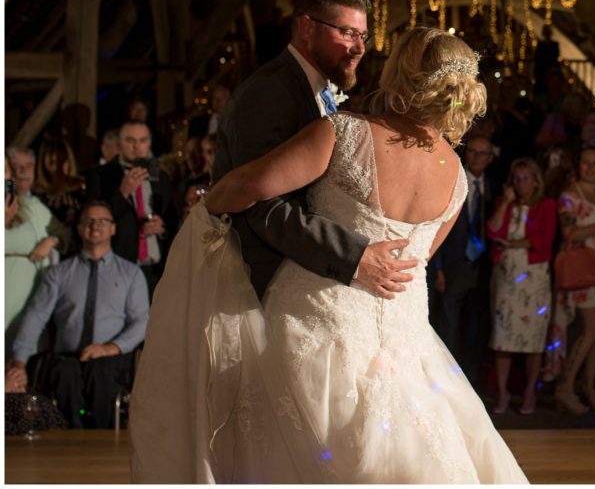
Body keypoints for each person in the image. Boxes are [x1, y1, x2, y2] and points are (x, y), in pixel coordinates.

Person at [130, 26, 527, 483]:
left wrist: (209, 209)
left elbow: (250, 184)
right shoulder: (456, 172)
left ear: (399, 72)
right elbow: (418, 259)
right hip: (405, 340)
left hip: (319, 324)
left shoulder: (346, 134)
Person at [211, 0, 413, 302]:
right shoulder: (270, 91)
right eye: (347, 33)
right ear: (307, 28)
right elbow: (261, 203)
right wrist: (352, 255)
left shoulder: (316, 87)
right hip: (260, 283)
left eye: (363, 36)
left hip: (304, 274)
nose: (359, 48)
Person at [8, 201, 148, 429]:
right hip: (68, 357)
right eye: (88, 220)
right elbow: (36, 317)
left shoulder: (131, 274)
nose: (95, 226)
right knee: (65, 374)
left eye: (103, 221)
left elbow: (142, 321)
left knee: (100, 371)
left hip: (112, 356)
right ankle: (68, 444)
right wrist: (19, 362)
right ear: (79, 228)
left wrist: (109, 348)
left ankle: (103, 445)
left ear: (113, 228)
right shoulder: (58, 274)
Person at [548, 147, 595, 415]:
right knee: (591, 328)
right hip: (585, 268)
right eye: (586, 163)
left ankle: (589, 386)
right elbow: (569, 233)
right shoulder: (569, 196)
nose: (591, 168)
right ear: (578, 165)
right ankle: (565, 386)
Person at [486, 158, 557, 415]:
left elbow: (544, 238)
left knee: (533, 339)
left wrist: (515, 244)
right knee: (503, 336)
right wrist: (505, 202)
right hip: (507, 277)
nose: (520, 183)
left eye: (525, 178)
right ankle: (503, 392)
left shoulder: (547, 205)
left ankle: (529, 391)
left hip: (534, 277)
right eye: (516, 178)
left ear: (536, 180)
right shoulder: (505, 204)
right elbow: (493, 231)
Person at [431, 136, 498, 388]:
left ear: (490, 158)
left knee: (476, 324)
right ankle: (446, 377)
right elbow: (435, 226)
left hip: (482, 268)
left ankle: (470, 381)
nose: (477, 157)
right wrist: (437, 268)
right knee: (448, 321)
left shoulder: (495, 187)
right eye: (473, 151)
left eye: (483, 153)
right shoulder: (453, 182)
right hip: (453, 264)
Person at [85, 120, 178, 296]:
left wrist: (162, 227)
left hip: (154, 270)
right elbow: (94, 221)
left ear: (149, 142)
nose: (137, 147)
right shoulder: (100, 175)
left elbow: (172, 218)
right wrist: (122, 193)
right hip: (118, 266)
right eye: (130, 141)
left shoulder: (161, 176)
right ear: (119, 143)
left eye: (143, 140)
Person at [5, 152, 64, 352]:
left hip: (29, 291)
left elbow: (66, 235)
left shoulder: (33, 206)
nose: (21, 172)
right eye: (14, 167)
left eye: (28, 166)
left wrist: (51, 240)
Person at [33, 135, 87, 234]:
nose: (55, 157)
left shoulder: (82, 186)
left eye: (61, 153)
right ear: (42, 159)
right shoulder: (35, 192)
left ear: (68, 157)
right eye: (50, 153)